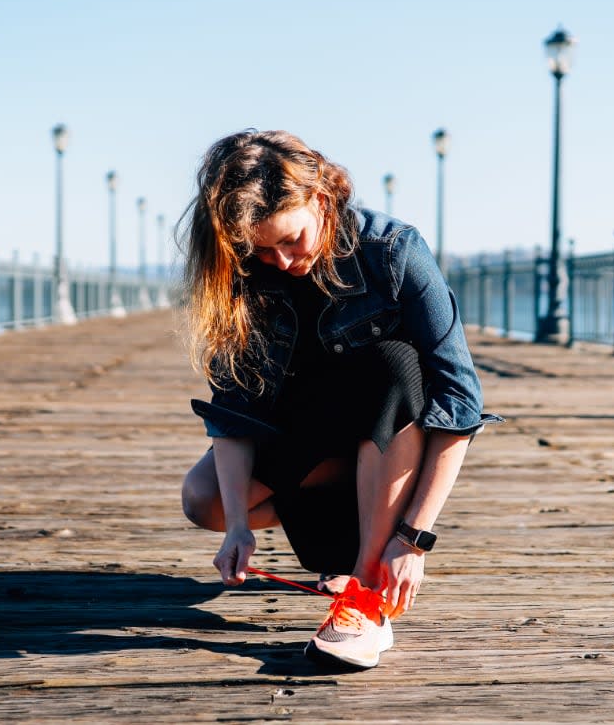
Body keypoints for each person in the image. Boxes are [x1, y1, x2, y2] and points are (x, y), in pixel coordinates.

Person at [179, 129, 498, 669]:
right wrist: (236, 525)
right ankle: (348, 517)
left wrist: (413, 539)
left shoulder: (393, 252)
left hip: (389, 434)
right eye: (262, 248)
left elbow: (459, 403)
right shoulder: (240, 271)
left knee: (392, 363)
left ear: (321, 201)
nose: (279, 260)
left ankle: (366, 593)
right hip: (311, 441)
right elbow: (234, 408)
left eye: (291, 240)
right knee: (203, 500)